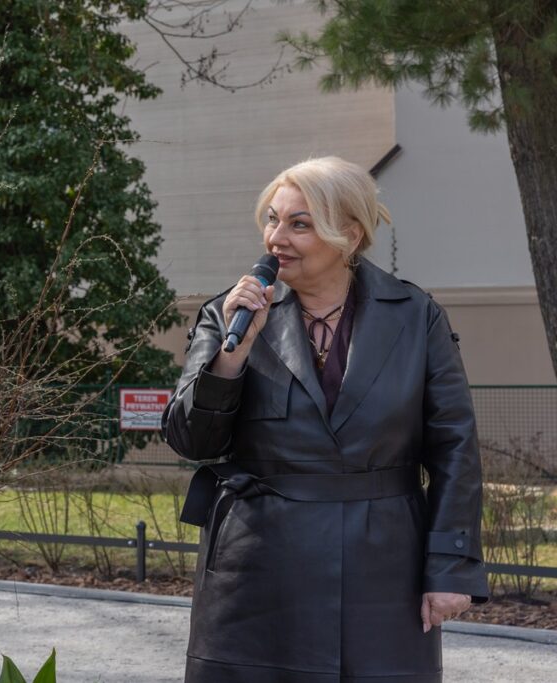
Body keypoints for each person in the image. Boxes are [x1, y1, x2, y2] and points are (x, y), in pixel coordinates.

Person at [162, 157, 488, 683]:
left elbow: (455, 447)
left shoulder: (415, 315)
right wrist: (232, 356)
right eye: (272, 219)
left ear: (349, 234)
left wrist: (450, 566)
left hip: (384, 568)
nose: (276, 237)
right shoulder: (230, 314)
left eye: (299, 224)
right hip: (258, 571)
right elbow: (190, 440)